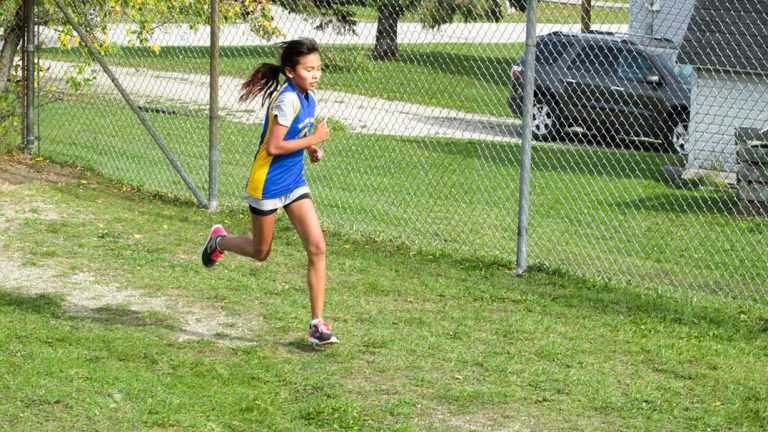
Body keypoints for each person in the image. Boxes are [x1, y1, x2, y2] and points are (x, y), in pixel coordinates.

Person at [201, 38, 337, 345]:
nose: (315, 75)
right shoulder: (287, 99)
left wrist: (312, 146)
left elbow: (298, 131)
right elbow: (274, 146)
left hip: (293, 182)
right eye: (309, 69)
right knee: (261, 252)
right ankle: (218, 241)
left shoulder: (308, 97)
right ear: (290, 72)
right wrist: (315, 137)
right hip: (266, 183)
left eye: (319, 69)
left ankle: (317, 324)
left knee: (317, 247)